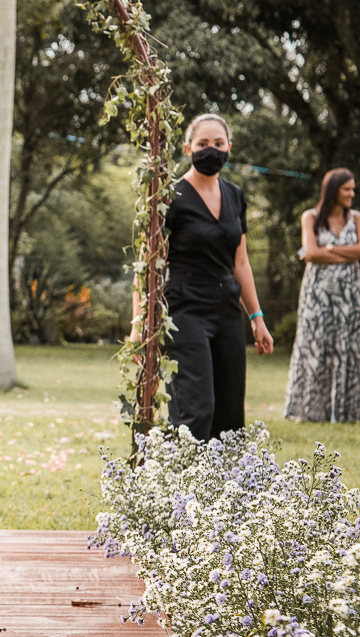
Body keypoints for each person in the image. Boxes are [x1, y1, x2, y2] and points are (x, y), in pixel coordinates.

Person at [138, 113, 274, 440]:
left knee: (230, 414)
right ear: (188, 148)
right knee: (196, 410)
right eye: (202, 144)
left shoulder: (235, 196)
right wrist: (138, 324)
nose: (210, 150)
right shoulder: (168, 197)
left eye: (218, 143)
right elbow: (146, 265)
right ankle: (176, 470)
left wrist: (256, 318)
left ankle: (223, 474)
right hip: (185, 309)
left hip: (227, 309)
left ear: (229, 147)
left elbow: (241, 263)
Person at [285, 169, 360, 422]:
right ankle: (311, 411)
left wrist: (331, 248)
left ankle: (350, 411)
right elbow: (312, 253)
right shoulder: (310, 217)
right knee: (315, 344)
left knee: (350, 344)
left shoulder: (357, 218)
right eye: (347, 189)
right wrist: (349, 253)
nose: (351, 194)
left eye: (353, 189)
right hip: (318, 296)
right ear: (333, 190)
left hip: (350, 297)